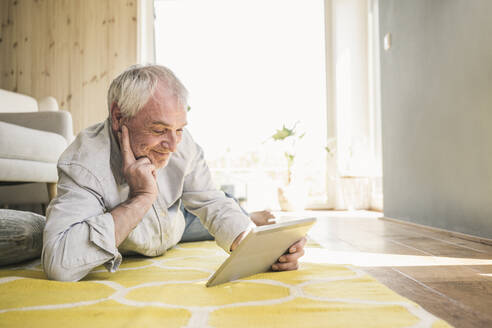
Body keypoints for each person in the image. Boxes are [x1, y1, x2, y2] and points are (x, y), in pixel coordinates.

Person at [42, 64, 306, 282]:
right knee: (201, 218)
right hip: (138, 237)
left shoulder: (182, 143)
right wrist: (141, 198)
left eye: (179, 129)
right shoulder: (83, 164)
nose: (173, 145)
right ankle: (246, 215)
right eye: (159, 130)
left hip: (174, 224)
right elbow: (59, 264)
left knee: (216, 205)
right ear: (118, 117)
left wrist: (257, 248)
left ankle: (249, 218)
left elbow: (210, 201)